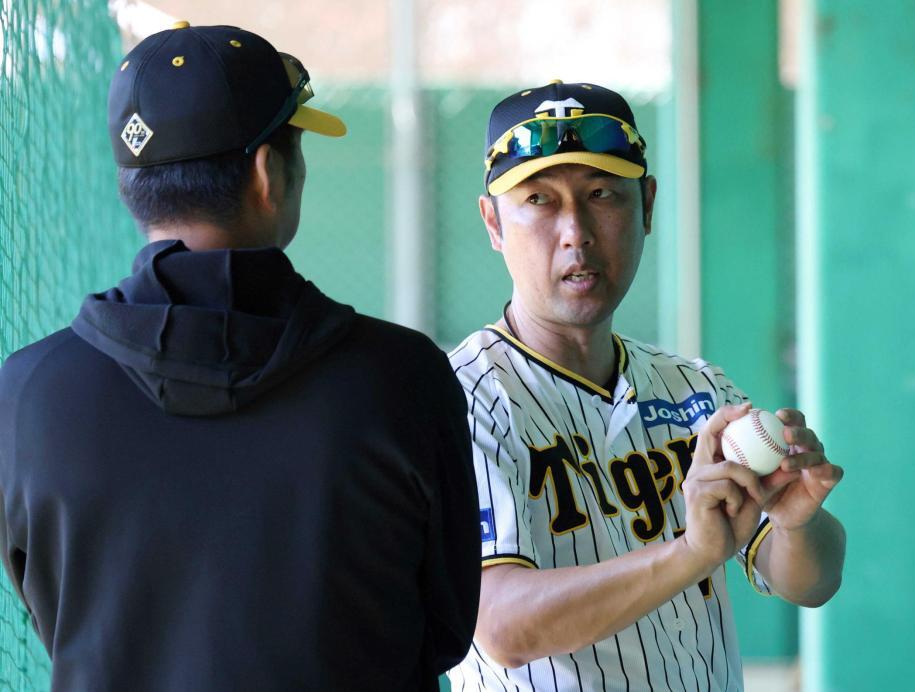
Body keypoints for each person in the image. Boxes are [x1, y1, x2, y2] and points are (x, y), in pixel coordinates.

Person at [0, 22, 479, 691]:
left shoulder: (26, 392)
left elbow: (57, 612)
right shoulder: (402, 377)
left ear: (132, 188)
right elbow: (448, 627)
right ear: (266, 173)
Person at [446, 80, 845, 691]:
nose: (575, 230)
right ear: (494, 222)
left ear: (648, 206)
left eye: (601, 193)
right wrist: (690, 553)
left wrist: (795, 520)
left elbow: (812, 582)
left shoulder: (698, 389)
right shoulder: (461, 400)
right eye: (539, 200)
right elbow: (502, 628)